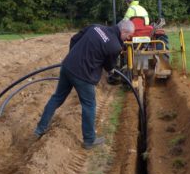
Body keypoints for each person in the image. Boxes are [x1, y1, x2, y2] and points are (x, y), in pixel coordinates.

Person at [34, 20, 135, 150]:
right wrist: (111, 71)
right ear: (124, 31)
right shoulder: (115, 46)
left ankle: (40, 128)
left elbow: (74, 39)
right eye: (129, 36)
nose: (129, 38)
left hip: (67, 66)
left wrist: (74, 57)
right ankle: (89, 140)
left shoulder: (95, 27)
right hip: (83, 76)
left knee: (57, 97)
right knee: (89, 105)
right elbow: (109, 66)